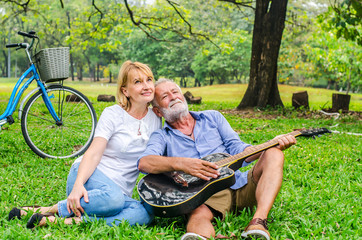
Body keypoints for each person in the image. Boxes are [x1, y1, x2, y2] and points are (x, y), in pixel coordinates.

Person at [8, 61, 162, 228]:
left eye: (149, 80)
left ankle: (69, 221)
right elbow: (94, 152)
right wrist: (78, 185)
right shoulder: (113, 114)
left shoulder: (156, 119)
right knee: (114, 200)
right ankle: (52, 209)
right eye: (137, 82)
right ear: (125, 90)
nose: (146, 86)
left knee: (145, 214)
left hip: (118, 193)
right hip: (89, 175)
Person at [138, 78, 296, 240]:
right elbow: (145, 162)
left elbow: (239, 149)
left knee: (274, 153)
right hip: (204, 199)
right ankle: (199, 236)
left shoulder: (213, 117)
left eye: (175, 91)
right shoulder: (162, 136)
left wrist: (271, 144)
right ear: (158, 111)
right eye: (165, 96)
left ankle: (258, 222)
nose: (173, 97)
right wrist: (183, 164)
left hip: (240, 184)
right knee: (197, 215)